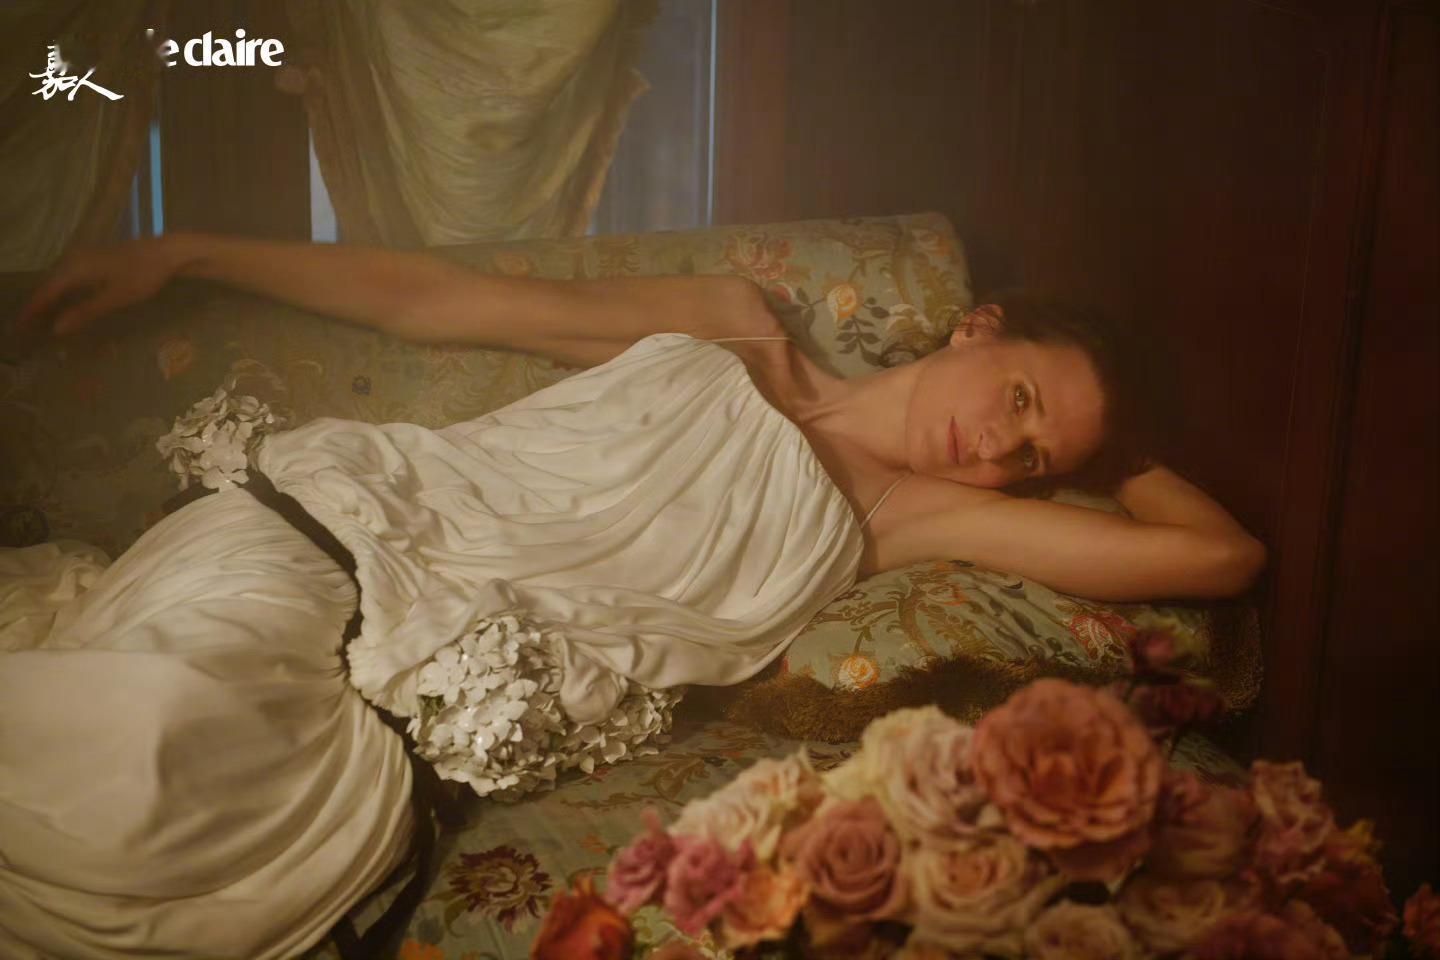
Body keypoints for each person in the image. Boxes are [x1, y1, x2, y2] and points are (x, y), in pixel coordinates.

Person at [0, 232, 1265, 958]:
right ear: (978, 327)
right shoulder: (729, 322)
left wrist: (1106, 449)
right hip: (330, 540)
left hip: (396, 707)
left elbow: (1222, 560)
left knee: (178, 824)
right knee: (149, 727)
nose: (997, 446)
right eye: (1021, 399)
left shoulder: (911, 516)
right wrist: (189, 248)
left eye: (1034, 457)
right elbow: (439, 301)